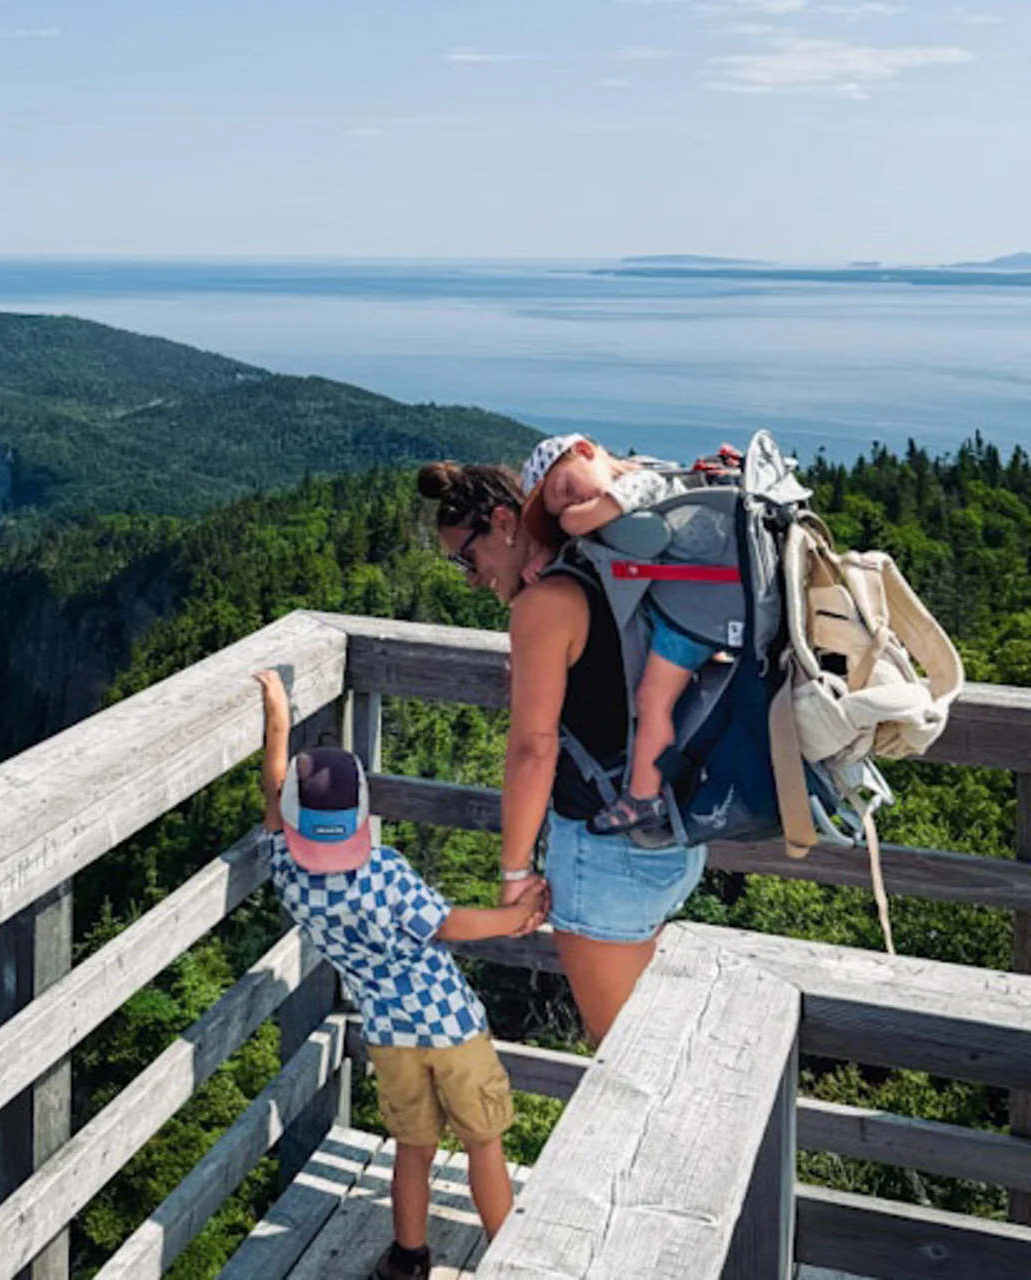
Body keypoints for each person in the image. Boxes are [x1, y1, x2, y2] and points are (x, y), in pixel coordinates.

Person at [255, 668, 546, 1280]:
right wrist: (513, 917)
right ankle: (510, 1259)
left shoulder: (288, 872)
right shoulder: (384, 872)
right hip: (452, 1026)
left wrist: (277, 719)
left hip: (388, 1035)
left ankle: (409, 1258)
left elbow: (274, 792)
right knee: (483, 1143)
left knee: (414, 1147)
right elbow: (448, 923)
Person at [417, 460, 707, 1044]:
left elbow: (533, 749)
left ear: (504, 523)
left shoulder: (547, 604)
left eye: (466, 559)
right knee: (648, 1041)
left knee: (625, 1054)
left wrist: (515, 873)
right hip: (673, 836)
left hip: (606, 853)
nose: (470, 579)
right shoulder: (605, 572)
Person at [517, 434, 721, 838]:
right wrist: (547, 551)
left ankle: (643, 797)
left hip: (689, 617)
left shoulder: (642, 481)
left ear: (585, 451)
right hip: (695, 609)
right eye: (563, 506)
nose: (573, 505)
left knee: (653, 700)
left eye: (567, 489)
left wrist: (566, 522)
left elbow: (587, 520)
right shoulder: (642, 478)